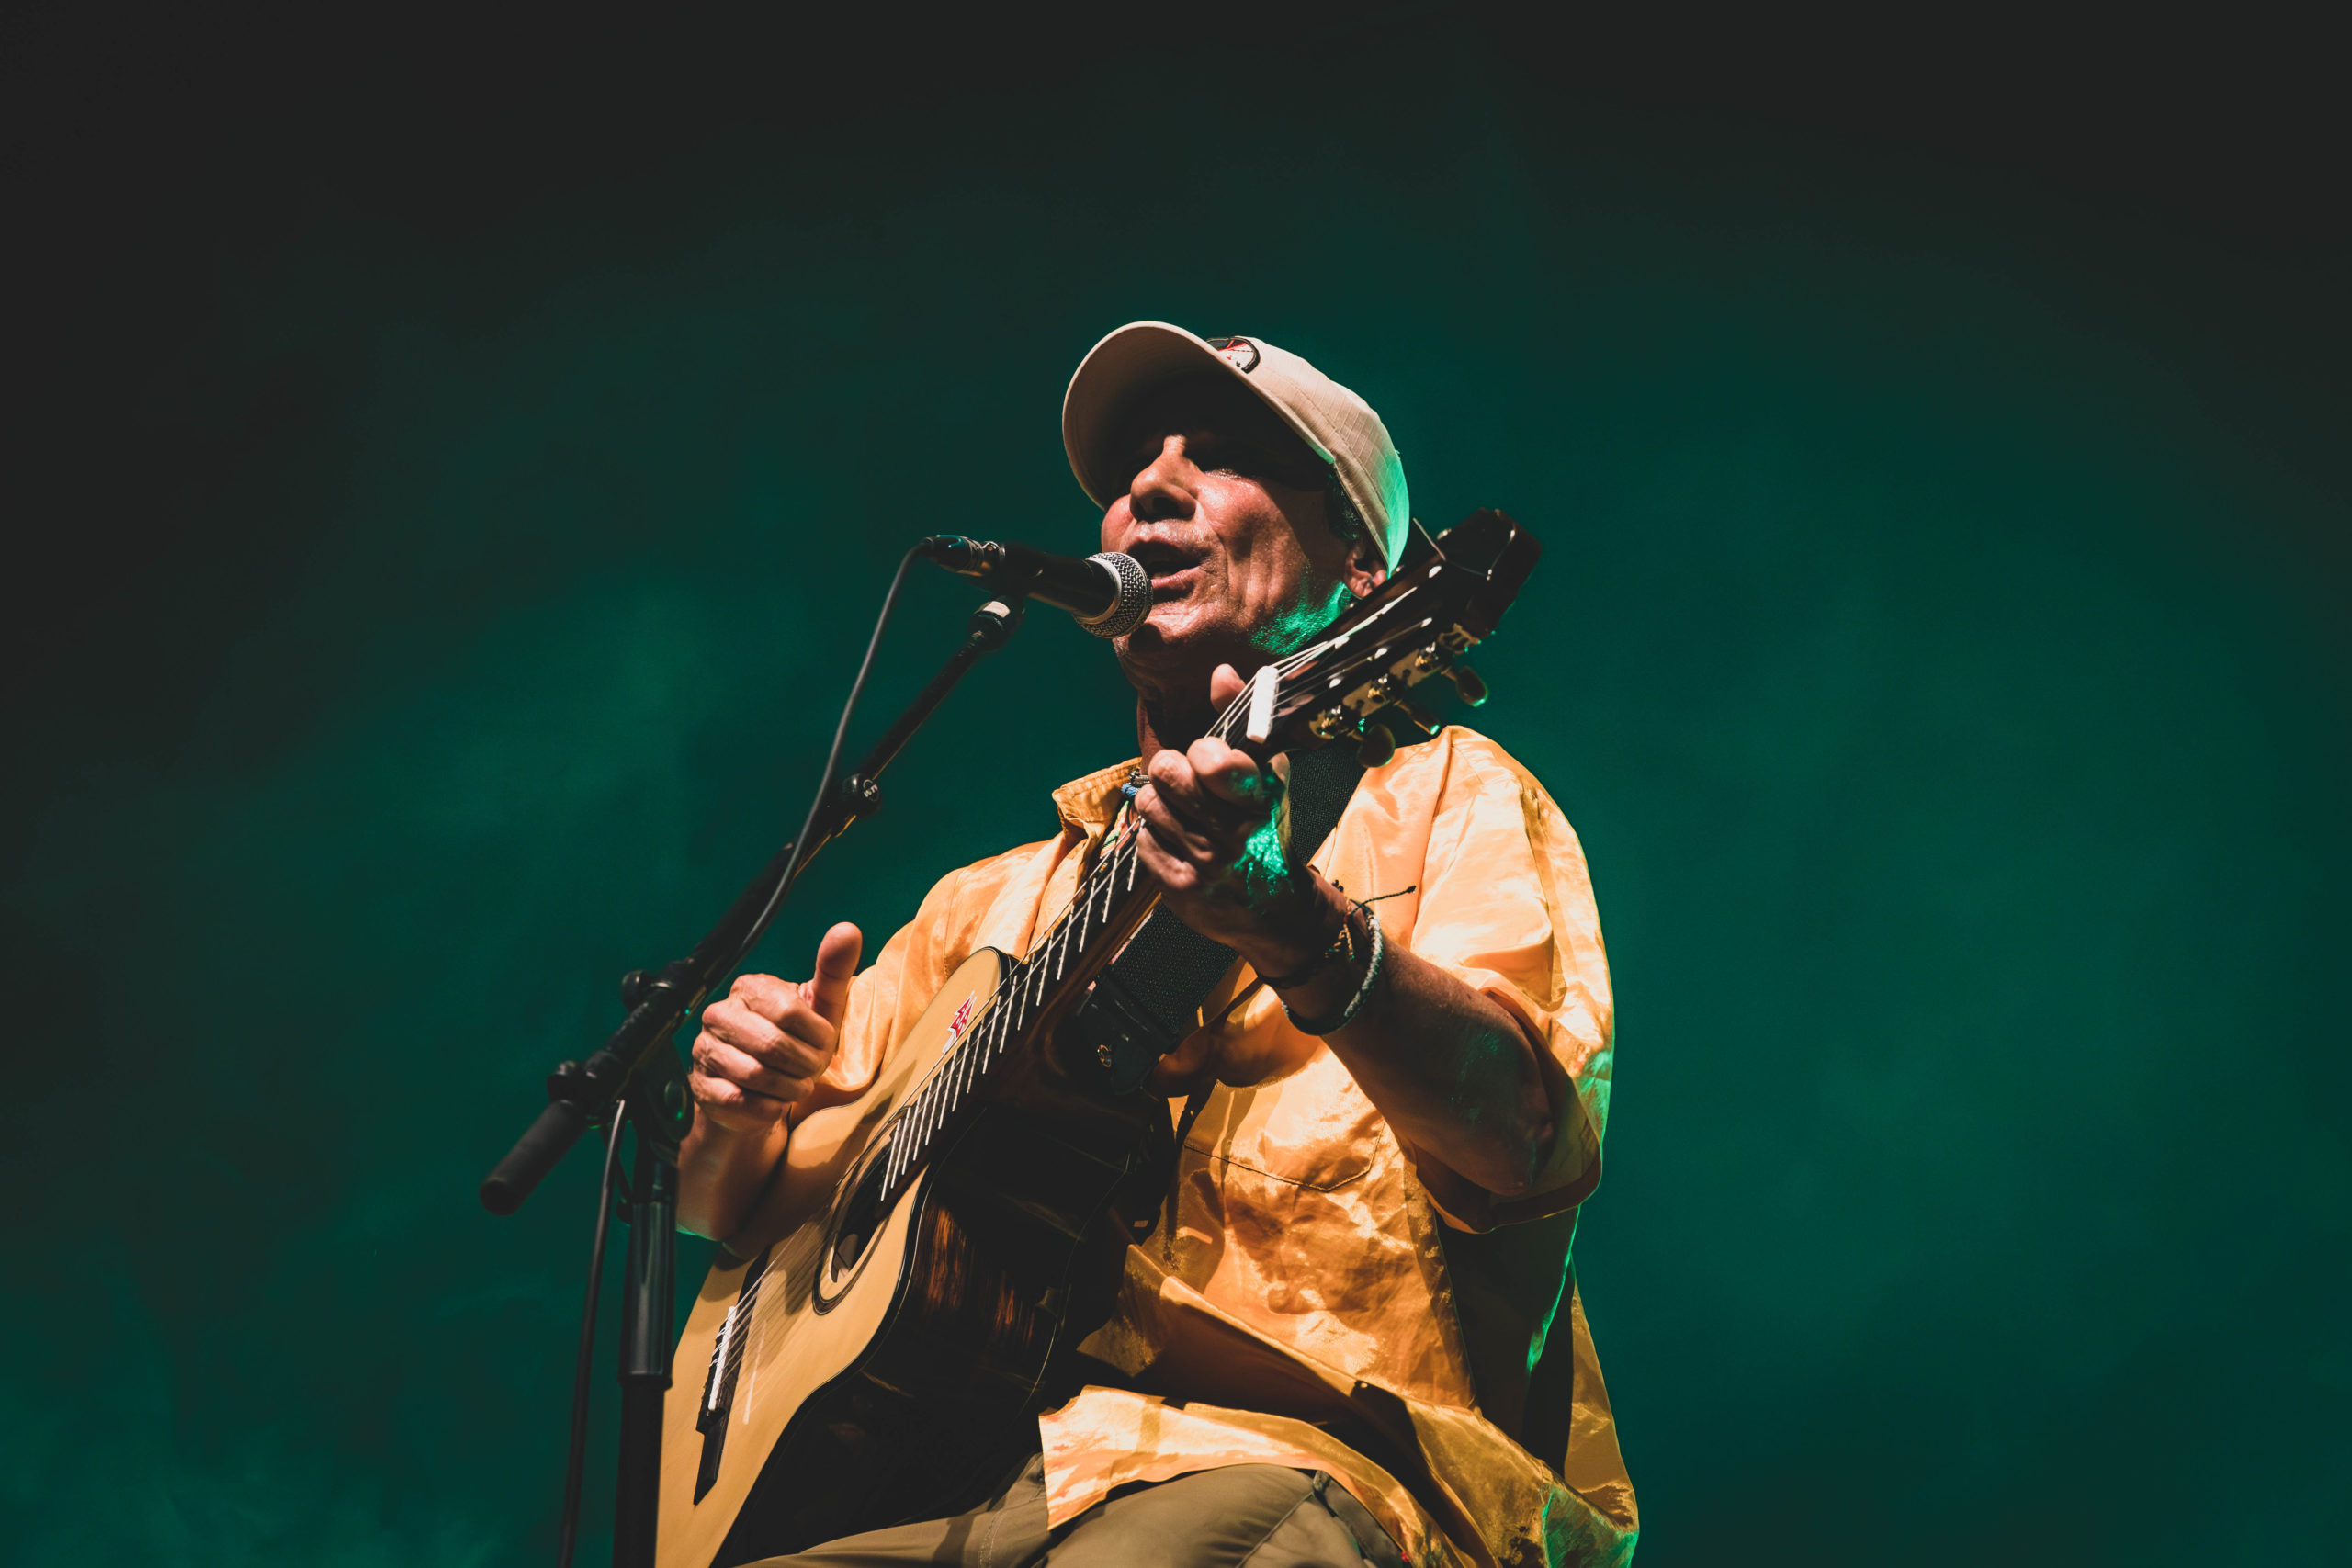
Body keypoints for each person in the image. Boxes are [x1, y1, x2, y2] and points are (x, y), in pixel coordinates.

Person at [677, 323, 1638, 1567]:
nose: (1151, 485)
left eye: (1226, 456)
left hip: (1309, 1472)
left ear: (1364, 572)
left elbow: (1522, 1145)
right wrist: (740, 1118)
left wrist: (1294, 923)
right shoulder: (990, 905)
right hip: (954, 1485)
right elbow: (731, 1214)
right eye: (1137, 463)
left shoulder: (1453, 798)